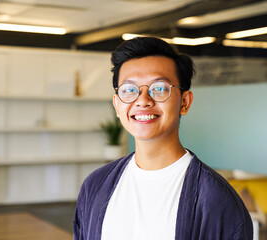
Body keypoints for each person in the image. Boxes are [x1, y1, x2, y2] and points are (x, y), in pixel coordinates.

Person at [73, 37, 253, 240]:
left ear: (185, 102)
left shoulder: (215, 199)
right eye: (129, 90)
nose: (142, 101)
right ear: (117, 105)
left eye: (159, 88)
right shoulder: (95, 186)